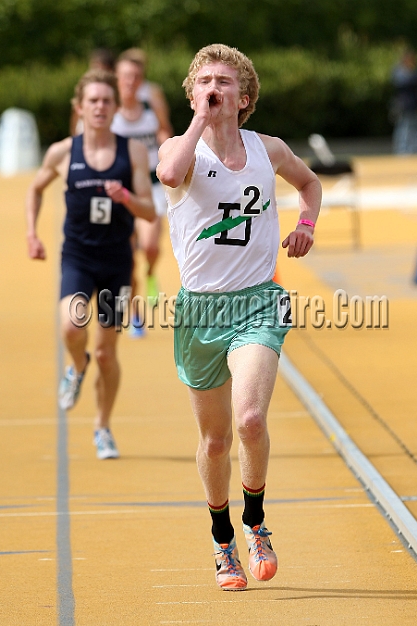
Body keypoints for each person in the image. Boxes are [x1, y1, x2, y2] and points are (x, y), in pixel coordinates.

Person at [157, 44, 322, 591]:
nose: (213, 87)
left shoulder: (266, 149)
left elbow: (311, 184)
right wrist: (199, 120)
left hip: (258, 299)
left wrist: (306, 226)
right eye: (203, 80)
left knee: (249, 419)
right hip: (200, 309)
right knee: (216, 440)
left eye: (224, 82)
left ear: (244, 96)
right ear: (191, 94)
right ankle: (221, 537)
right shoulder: (181, 149)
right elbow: (169, 174)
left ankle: (255, 524)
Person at [26, 68, 156, 459]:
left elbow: (150, 212)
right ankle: (75, 366)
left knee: (107, 353)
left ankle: (103, 427)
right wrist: (32, 234)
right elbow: (35, 188)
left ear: (116, 107)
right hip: (79, 257)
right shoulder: (63, 152)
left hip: (117, 263)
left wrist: (127, 200)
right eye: (93, 101)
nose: (100, 106)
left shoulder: (130, 150)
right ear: (79, 107)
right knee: (71, 325)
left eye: (107, 100)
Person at [111, 48, 173, 336]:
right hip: (122, 190)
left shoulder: (151, 106)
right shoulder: (108, 112)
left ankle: (150, 274)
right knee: (127, 257)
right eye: (125, 76)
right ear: (116, 78)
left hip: (152, 187)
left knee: (149, 246)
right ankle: (136, 314)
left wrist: (168, 149)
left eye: (136, 76)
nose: (130, 81)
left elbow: (164, 131)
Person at [390, 49, 417, 155]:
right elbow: (402, 82)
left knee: (416, 128)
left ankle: (416, 149)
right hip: (404, 106)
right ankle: (402, 150)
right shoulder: (399, 71)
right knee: (404, 128)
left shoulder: (416, 71)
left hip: (415, 105)